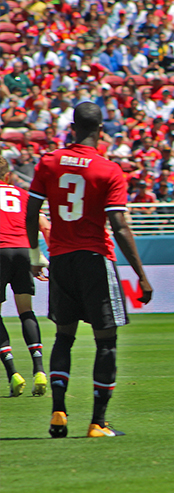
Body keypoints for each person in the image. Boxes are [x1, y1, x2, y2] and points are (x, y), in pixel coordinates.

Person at [26, 102, 153, 439]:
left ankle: (58, 412)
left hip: (62, 261)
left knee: (64, 337)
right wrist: (141, 274)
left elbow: (31, 209)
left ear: (72, 127)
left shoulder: (50, 162)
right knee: (106, 342)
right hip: (95, 260)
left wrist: (36, 253)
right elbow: (119, 224)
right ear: (101, 129)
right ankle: (98, 422)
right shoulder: (108, 170)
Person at [0, 157, 50, 397]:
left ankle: (12, 373)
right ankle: (39, 369)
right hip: (22, 251)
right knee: (26, 311)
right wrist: (39, 258)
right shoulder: (23, 195)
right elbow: (45, 226)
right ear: (7, 175)